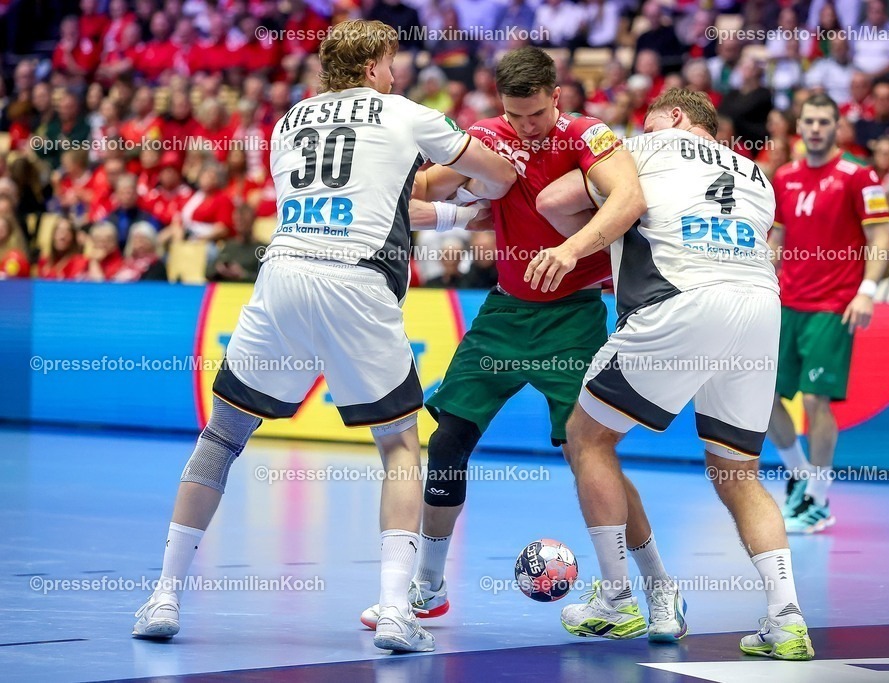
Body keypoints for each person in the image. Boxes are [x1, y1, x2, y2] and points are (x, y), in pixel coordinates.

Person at [130, 19, 516, 654]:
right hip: (357, 284)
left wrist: (444, 212)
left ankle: (164, 595)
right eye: (390, 64)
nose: (395, 74)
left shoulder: (288, 123)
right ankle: (396, 612)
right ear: (371, 69)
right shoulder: (403, 112)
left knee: (222, 436)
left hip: (282, 276)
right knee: (397, 446)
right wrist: (483, 183)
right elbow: (496, 176)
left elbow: (371, 200)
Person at [359, 46, 683, 643]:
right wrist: (401, 193)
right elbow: (430, 190)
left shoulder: (587, 134)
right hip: (505, 313)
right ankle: (427, 588)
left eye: (535, 115)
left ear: (556, 98)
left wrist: (569, 250)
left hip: (574, 317)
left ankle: (658, 589)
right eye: (516, 115)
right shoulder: (489, 136)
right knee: (449, 435)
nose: (526, 127)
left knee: (594, 455)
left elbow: (628, 199)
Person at [528, 88, 813, 660]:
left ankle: (615, 600)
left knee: (588, 438)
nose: (641, 122)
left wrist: (592, 232)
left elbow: (554, 202)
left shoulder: (647, 146)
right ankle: (786, 618)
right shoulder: (758, 175)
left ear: (676, 118)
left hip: (680, 300)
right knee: (739, 471)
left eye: (648, 114)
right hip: (758, 307)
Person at [766, 93, 889, 534]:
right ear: (798, 126)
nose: (816, 128)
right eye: (809, 121)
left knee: (817, 400)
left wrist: (868, 291)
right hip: (786, 303)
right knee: (761, 400)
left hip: (833, 305)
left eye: (824, 121)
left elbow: (881, 236)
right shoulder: (783, 176)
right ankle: (799, 473)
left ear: (837, 126)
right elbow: (776, 240)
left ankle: (819, 499)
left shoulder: (859, 175)